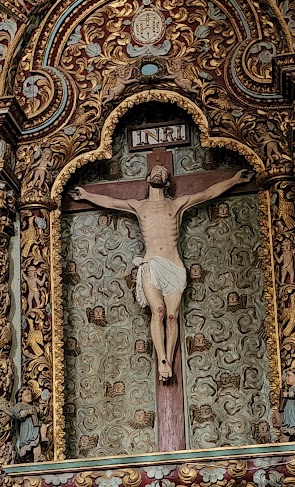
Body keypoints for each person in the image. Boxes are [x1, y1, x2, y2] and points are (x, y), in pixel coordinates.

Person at [82, 162, 246, 381]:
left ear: (167, 182)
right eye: (155, 171)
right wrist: (86, 195)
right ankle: (162, 360)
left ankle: (168, 360)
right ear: (148, 178)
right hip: (151, 264)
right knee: (157, 311)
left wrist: (234, 180)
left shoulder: (177, 204)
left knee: (171, 316)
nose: (158, 172)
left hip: (174, 265)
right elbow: (111, 201)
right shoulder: (139, 206)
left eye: (163, 172)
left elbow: (208, 193)